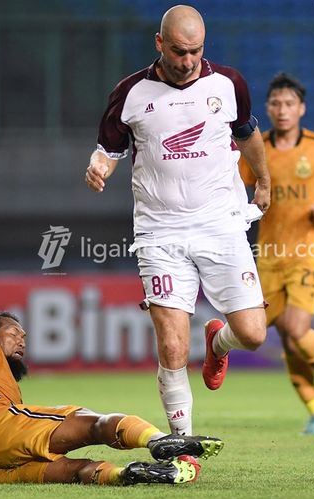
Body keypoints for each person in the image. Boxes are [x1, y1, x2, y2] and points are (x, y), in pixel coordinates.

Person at [85, 5, 271, 435]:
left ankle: (217, 342)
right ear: (159, 42)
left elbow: (246, 132)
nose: (187, 61)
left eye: (195, 51)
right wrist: (98, 166)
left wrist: (263, 179)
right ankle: (182, 445)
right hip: (160, 232)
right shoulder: (130, 93)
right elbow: (108, 149)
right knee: (171, 343)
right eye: (178, 51)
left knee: (254, 334)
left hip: (221, 223)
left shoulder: (228, 84)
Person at [0, 267, 224, 485]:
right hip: (4, 432)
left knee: (74, 471)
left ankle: (127, 474)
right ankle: (159, 441)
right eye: (14, 333)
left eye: (24, 336)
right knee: (89, 422)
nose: (22, 340)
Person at [239, 73, 314, 435]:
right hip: (268, 255)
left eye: (289, 104)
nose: (282, 110)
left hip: (308, 251)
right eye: (275, 103)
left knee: (297, 327)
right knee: (284, 336)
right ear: (268, 108)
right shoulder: (256, 148)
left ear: (301, 108)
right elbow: (235, 188)